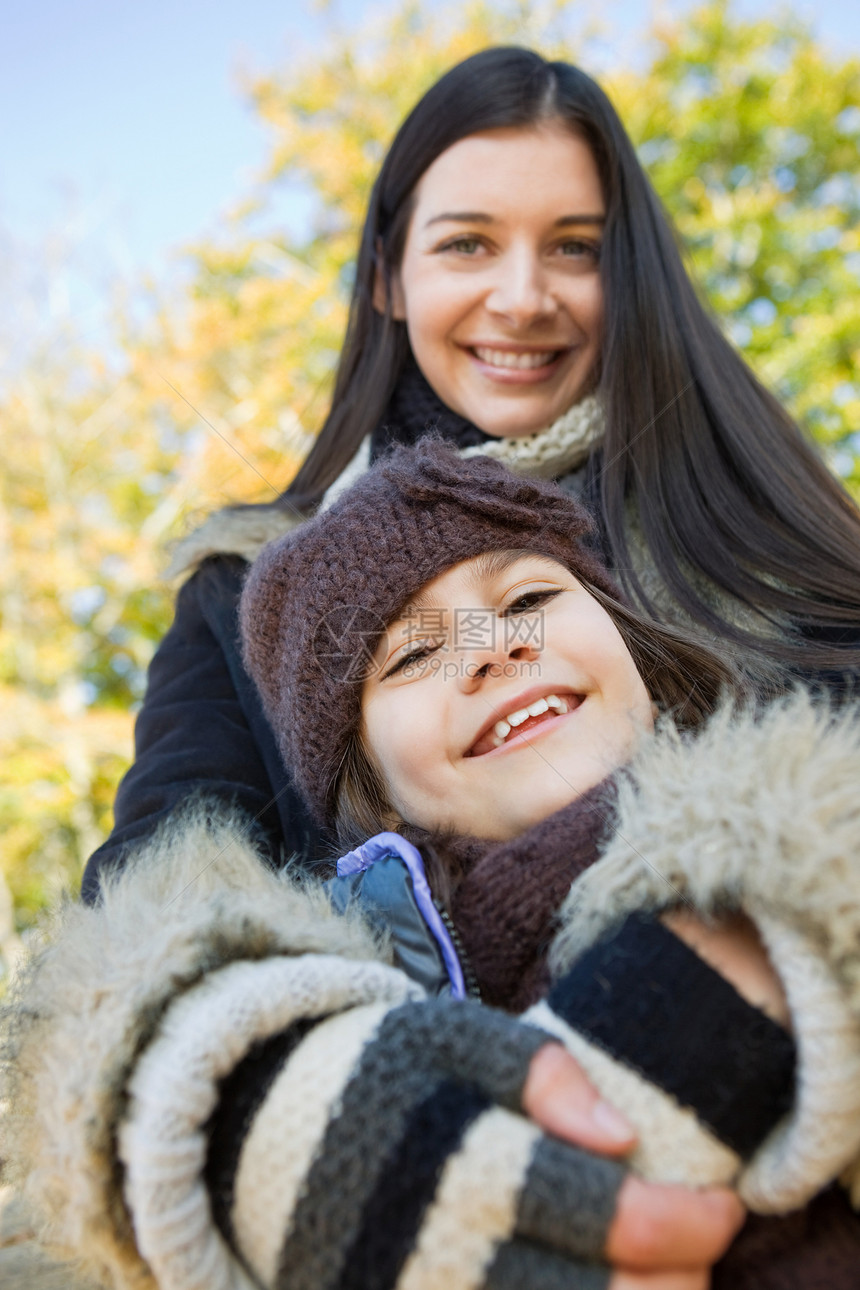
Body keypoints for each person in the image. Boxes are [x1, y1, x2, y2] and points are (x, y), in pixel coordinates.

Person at [8, 443, 860, 1290]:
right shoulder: (337, 981)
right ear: (373, 792)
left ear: (631, 649)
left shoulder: (801, 842)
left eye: (527, 598)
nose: (492, 652)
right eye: (411, 656)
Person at [81, 44, 860, 904]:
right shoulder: (238, 597)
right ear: (388, 279)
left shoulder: (756, 531)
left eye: (573, 247)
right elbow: (152, 918)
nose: (523, 298)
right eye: (467, 244)